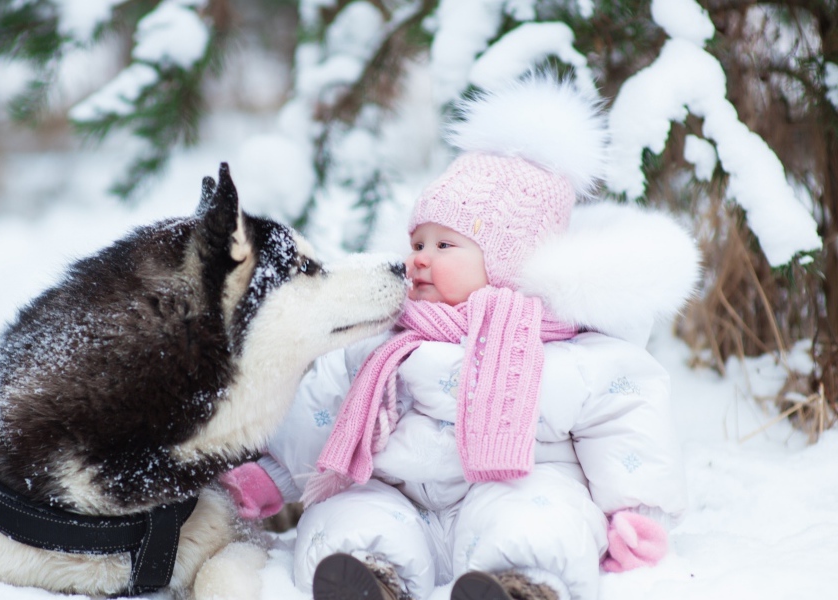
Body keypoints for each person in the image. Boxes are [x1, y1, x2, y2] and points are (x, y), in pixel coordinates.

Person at [219, 73, 700, 600]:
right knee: (346, 512)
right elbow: (322, 408)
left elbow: (626, 418)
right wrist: (273, 473)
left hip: (514, 488)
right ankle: (371, 577)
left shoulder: (566, 350)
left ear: (507, 262)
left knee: (543, 517)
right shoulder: (385, 340)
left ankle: (520, 584)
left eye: (444, 246)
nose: (419, 258)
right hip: (400, 497)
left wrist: (635, 509)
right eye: (416, 243)